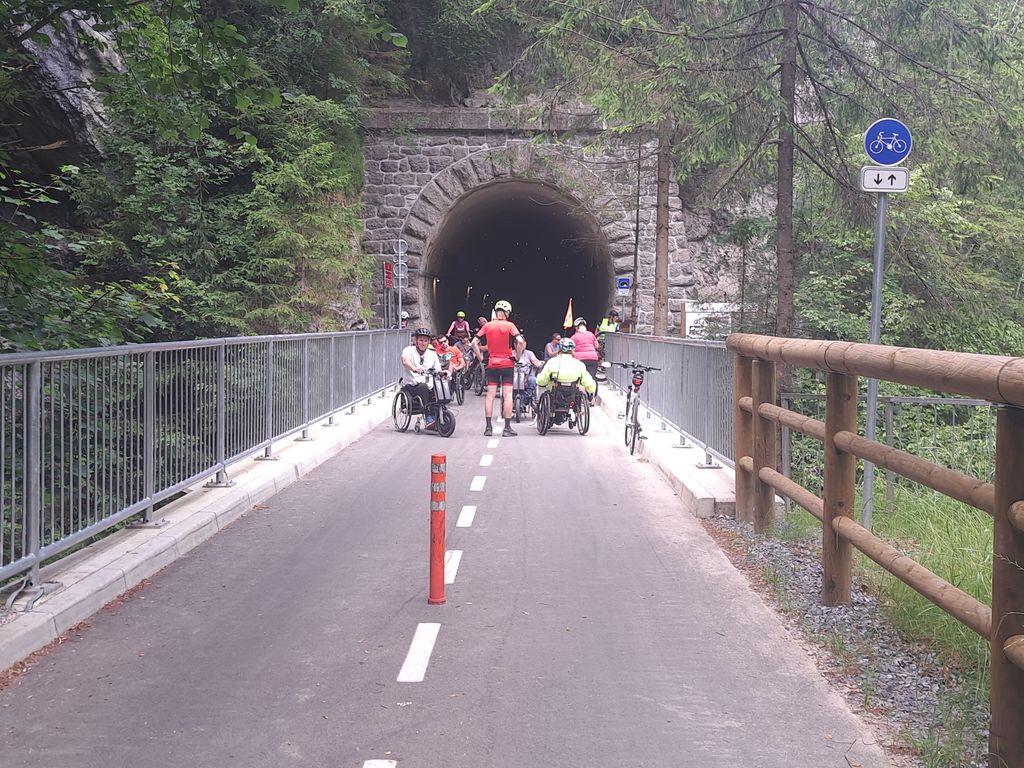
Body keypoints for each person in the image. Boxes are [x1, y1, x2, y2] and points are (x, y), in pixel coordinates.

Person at [471, 299, 525, 437]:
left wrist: (481, 358)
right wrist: (517, 356)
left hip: (492, 363)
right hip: (507, 363)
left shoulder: (487, 326)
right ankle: (507, 428)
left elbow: (474, 343)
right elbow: (520, 341)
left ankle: (488, 427)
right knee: (508, 395)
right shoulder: (510, 325)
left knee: (490, 395)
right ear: (507, 312)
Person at [400, 327, 443, 430]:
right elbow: (405, 361)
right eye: (421, 340)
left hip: (429, 384)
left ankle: (442, 415)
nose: (423, 343)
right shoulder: (408, 350)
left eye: (425, 341)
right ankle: (428, 418)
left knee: (441, 386)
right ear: (416, 340)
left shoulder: (432, 354)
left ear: (428, 342)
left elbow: (438, 370)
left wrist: (444, 373)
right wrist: (414, 368)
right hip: (411, 385)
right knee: (423, 387)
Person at [536, 338, 597, 408]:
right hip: (573, 394)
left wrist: (539, 380)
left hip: (554, 394)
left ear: (559, 349)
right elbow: (589, 383)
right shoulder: (579, 364)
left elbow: (542, 381)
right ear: (572, 350)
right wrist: (591, 392)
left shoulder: (551, 362)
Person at [570, 317, 601, 403]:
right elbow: (597, 346)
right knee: (592, 377)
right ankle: (592, 398)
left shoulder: (574, 337)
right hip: (592, 358)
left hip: (579, 359)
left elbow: (571, 350)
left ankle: (579, 398)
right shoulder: (591, 334)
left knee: (579, 378)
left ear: (576, 328)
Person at [515, 338, 543, 404]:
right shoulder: (512, 353)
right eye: (520, 344)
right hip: (514, 376)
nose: (522, 345)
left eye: (523, 343)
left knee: (533, 380)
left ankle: (527, 397)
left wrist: (537, 363)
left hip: (527, 376)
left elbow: (535, 361)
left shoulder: (529, 353)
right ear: (515, 345)